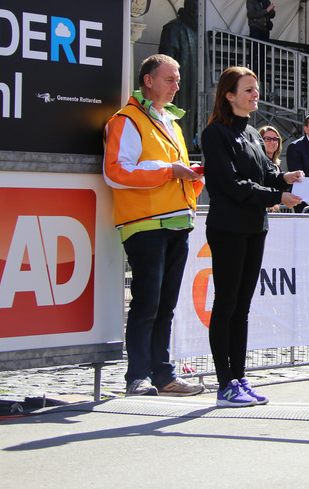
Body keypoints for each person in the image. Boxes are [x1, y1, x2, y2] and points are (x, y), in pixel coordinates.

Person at [102, 54, 206, 397]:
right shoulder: (126, 119)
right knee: (147, 304)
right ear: (148, 81)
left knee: (165, 307)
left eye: (178, 80)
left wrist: (192, 177)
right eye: (169, 79)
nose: (177, 85)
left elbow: (169, 172)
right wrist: (170, 171)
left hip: (177, 221)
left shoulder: (171, 122)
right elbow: (116, 172)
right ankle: (137, 377)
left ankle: (164, 375)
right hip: (144, 223)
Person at [201, 67, 304, 407]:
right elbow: (232, 185)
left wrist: (285, 177)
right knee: (226, 305)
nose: (255, 94)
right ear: (229, 95)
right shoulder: (215, 133)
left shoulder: (253, 134)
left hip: (254, 228)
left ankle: (239, 377)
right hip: (227, 229)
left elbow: (266, 174)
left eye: (255, 89)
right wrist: (277, 196)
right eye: (248, 90)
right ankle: (225, 383)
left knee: (242, 307)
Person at [157, 0, 199, 150]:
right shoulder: (173, 28)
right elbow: (166, 58)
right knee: (178, 113)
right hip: (179, 83)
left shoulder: (197, 31)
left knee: (194, 114)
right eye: (197, 8)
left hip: (195, 81)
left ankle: (190, 146)